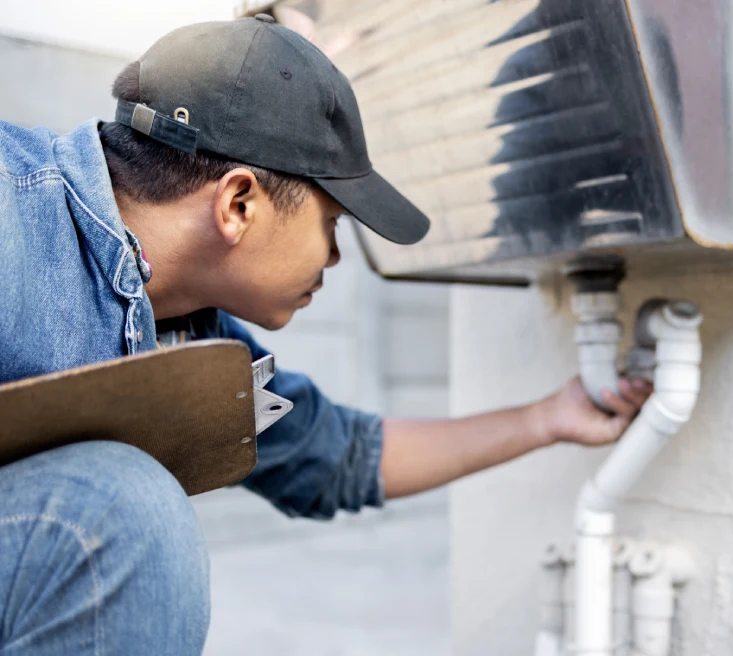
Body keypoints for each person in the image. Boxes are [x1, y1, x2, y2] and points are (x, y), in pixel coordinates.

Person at [0, 15, 651, 655]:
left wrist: (547, 418)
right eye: (333, 222)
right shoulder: (13, 215)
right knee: (125, 518)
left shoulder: (190, 337)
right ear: (239, 205)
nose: (335, 258)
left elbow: (339, 455)